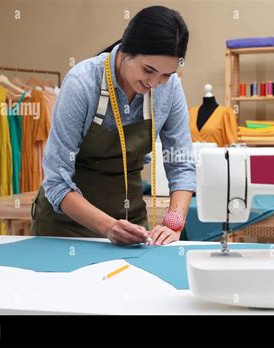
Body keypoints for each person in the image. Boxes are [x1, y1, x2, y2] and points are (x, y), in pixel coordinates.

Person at [30, 6, 195, 246]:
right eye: (148, 70)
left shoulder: (169, 89)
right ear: (126, 51)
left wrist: (173, 223)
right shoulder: (82, 83)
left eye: (166, 75)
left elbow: (181, 164)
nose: (154, 82)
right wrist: (108, 227)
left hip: (130, 222)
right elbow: (57, 181)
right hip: (64, 227)